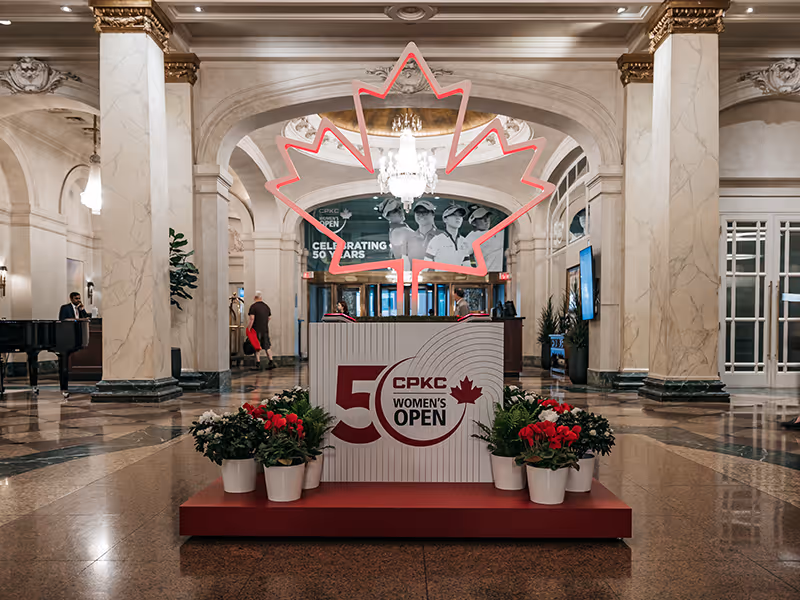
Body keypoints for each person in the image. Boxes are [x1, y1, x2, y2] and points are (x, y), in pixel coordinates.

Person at [464, 206, 504, 272]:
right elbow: (462, 254)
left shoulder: (496, 232)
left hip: (506, 272)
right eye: (482, 218)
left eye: (487, 217)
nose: (486, 220)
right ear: (474, 223)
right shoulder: (472, 237)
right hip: (489, 274)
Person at [380, 198, 413, 270]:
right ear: (388, 217)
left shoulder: (400, 229)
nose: (400, 211)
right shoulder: (398, 232)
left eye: (399, 207)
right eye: (395, 211)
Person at [247, 292, 275, 371]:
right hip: (265, 329)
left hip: (256, 330)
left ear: (254, 297)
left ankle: (258, 363)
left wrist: (249, 328)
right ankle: (271, 361)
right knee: (267, 346)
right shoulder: (266, 307)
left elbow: (252, 319)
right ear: (261, 298)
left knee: (257, 347)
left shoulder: (253, 307)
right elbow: (269, 318)